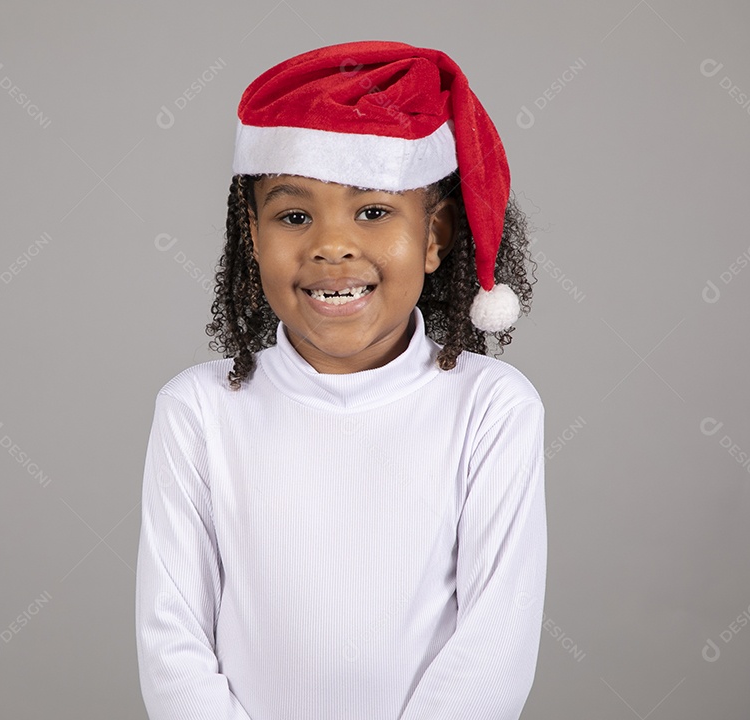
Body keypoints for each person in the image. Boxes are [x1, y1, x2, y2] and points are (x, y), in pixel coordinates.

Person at [136, 40, 546, 720]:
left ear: (436, 235)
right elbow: (171, 641)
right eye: (294, 216)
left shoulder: (491, 409)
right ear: (252, 236)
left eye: (374, 211)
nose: (331, 244)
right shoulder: (198, 412)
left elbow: (494, 645)